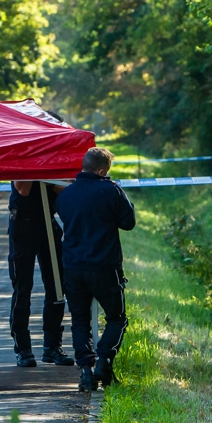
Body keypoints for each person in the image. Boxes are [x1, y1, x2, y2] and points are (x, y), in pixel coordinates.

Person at [55, 147, 136, 392]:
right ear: (102, 171)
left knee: (79, 320)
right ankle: (105, 361)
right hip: (105, 266)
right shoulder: (111, 191)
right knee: (117, 318)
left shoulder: (65, 195)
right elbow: (128, 223)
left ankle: (85, 372)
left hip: (73, 267)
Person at [8, 181, 73, 368]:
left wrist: (50, 178)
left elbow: (66, 188)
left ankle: (53, 346)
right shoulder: (21, 156)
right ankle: (23, 348)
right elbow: (23, 189)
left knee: (58, 287)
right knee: (22, 287)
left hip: (48, 224)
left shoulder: (52, 158)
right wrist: (39, 173)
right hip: (22, 225)